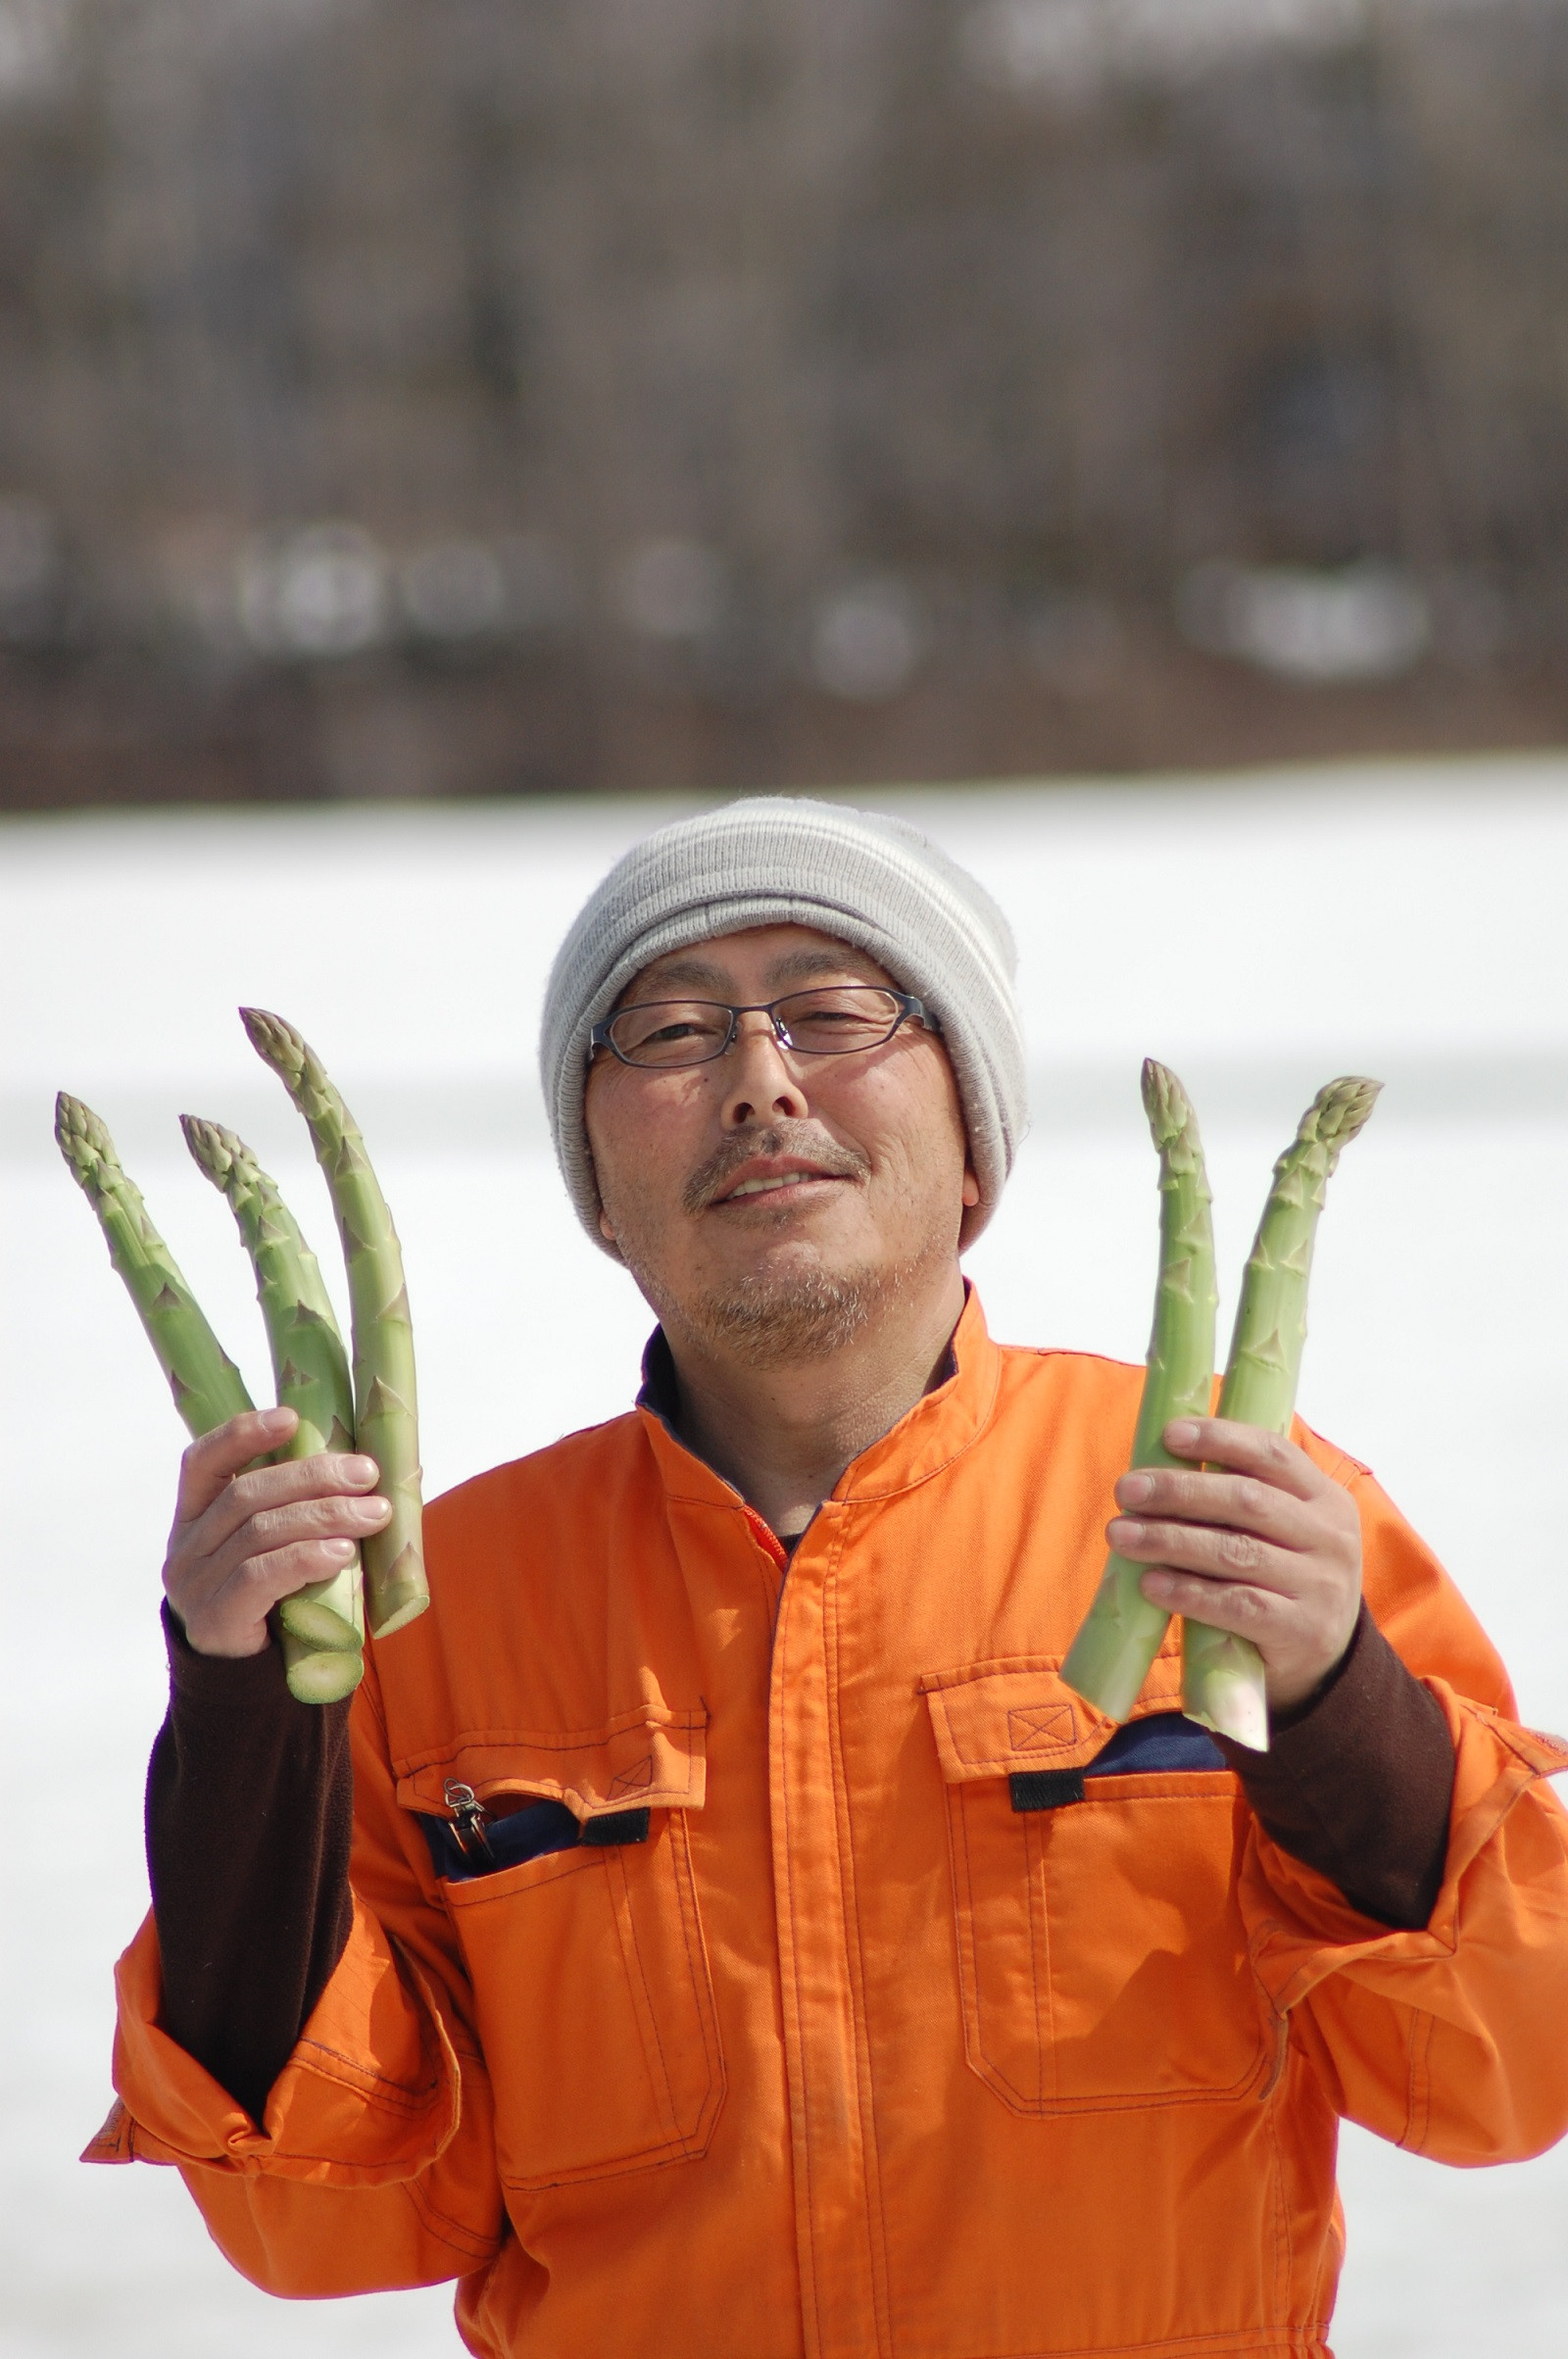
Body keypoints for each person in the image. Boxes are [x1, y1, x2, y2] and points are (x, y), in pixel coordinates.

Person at [91, 798, 1568, 2359]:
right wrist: (244, 1714)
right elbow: (325, 2207)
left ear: (973, 1132)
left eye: (832, 1008)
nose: (758, 1079)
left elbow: (1508, 2066)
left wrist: (1340, 1702)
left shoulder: (1232, 1518)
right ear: (596, 1181)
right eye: (666, 1031)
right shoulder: (442, 1603)